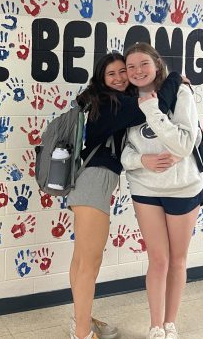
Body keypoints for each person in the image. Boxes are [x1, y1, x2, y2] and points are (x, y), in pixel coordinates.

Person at [68, 51, 184, 339]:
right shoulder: (110, 103)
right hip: (94, 184)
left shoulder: (105, 102)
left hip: (89, 183)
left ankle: (81, 321)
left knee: (80, 260)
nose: (120, 77)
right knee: (89, 264)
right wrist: (173, 77)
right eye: (112, 74)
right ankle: (82, 334)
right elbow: (160, 104)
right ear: (102, 79)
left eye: (123, 71)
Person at [121, 43, 203, 339]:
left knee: (177, 259)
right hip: (145, 187)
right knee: (158, 259)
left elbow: (184, 144)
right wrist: (141, 159)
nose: (137, 71)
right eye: (131, 67)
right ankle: (156, 326)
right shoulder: (126, 102)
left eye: (143, 63)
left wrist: (153, 111)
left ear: (156, 64)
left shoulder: (181, 93)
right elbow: (124, 153)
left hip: (182, 187)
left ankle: (171, 323)